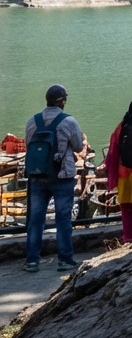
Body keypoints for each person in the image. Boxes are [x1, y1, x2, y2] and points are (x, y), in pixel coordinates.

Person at [24, 85, 84, 273]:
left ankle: (32, 261)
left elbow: (28, 146)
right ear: (62, 101)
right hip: (62, 176)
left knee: (36, 220)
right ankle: (65, 260)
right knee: (63, 219)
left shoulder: (32, 121)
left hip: (37, 176)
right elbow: (78, 146)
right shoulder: (68, 121)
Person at [104, 98, 132, 243]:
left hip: (123, 174)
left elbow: (112, 153)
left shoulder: (120, 128)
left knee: (126, 208)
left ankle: (128, 238)